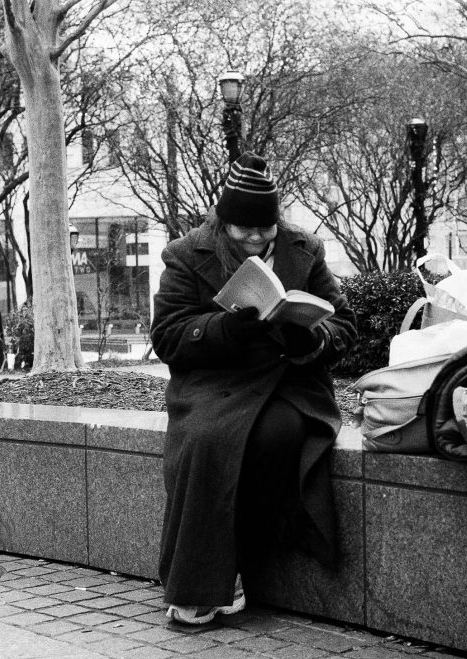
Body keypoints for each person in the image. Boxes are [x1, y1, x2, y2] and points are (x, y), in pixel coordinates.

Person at [150, 152, 357, 625]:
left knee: (277, 435)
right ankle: (202, 582)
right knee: (207, 440)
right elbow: (168, 337)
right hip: (214, 382)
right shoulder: (185, 254)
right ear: (224, 222)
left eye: (266, 228)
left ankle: (237, 558)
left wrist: (313, 337)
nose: (258, 237)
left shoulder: (305, 247)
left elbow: (343, 324)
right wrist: (226, 329)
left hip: (290, 380)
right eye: (246, 229)